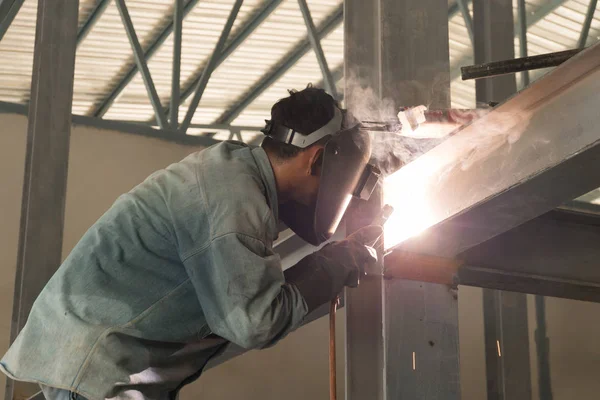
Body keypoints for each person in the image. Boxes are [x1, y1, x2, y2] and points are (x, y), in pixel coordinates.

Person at [1, 85, 382, 400]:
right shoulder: (233, 200)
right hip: (100, 369)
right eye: (335, 183)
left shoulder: (232, 170)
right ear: (315, 160)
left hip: (87, 362)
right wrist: (335, 264)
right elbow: (256, 322)